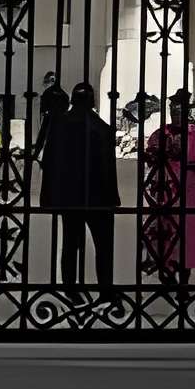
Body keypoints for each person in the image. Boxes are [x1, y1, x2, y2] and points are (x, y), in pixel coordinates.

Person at [39, 80, 119, 293]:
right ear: (92, 101)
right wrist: (112, 199)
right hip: (97, 198)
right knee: (103, 247)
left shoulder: (61, 126)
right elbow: (108, 170)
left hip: (70, 197)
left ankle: (69, 287)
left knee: (70, 244)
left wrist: (49, 197)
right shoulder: (102, 128)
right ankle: (105, 288)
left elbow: (49, 162)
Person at [141, 91, 195, 280]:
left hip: (189, 190)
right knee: (167, 230)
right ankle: (167, 270)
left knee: (187, 232)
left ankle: (184, 277)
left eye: (178, 111)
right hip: (167, 190)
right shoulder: (162, 133)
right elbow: (151, 154)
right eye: (172, 111)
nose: (175, 115)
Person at [32, 69, 69, 165]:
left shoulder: (47, 93)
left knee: (43, 137)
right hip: (60, 120)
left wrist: (46, 112)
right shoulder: (64, 94)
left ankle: (38, 155)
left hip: (49, 118)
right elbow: (66, 107)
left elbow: (43, 109)